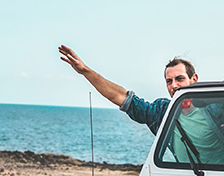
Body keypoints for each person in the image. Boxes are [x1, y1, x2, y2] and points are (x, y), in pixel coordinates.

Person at [59, 45, 197, 134]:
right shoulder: (162, 112)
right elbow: (121, 98)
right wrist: (85, 71)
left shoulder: (214, 108)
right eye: (169, 81)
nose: (173, 86)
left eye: (180, 79)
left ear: (194, 79)